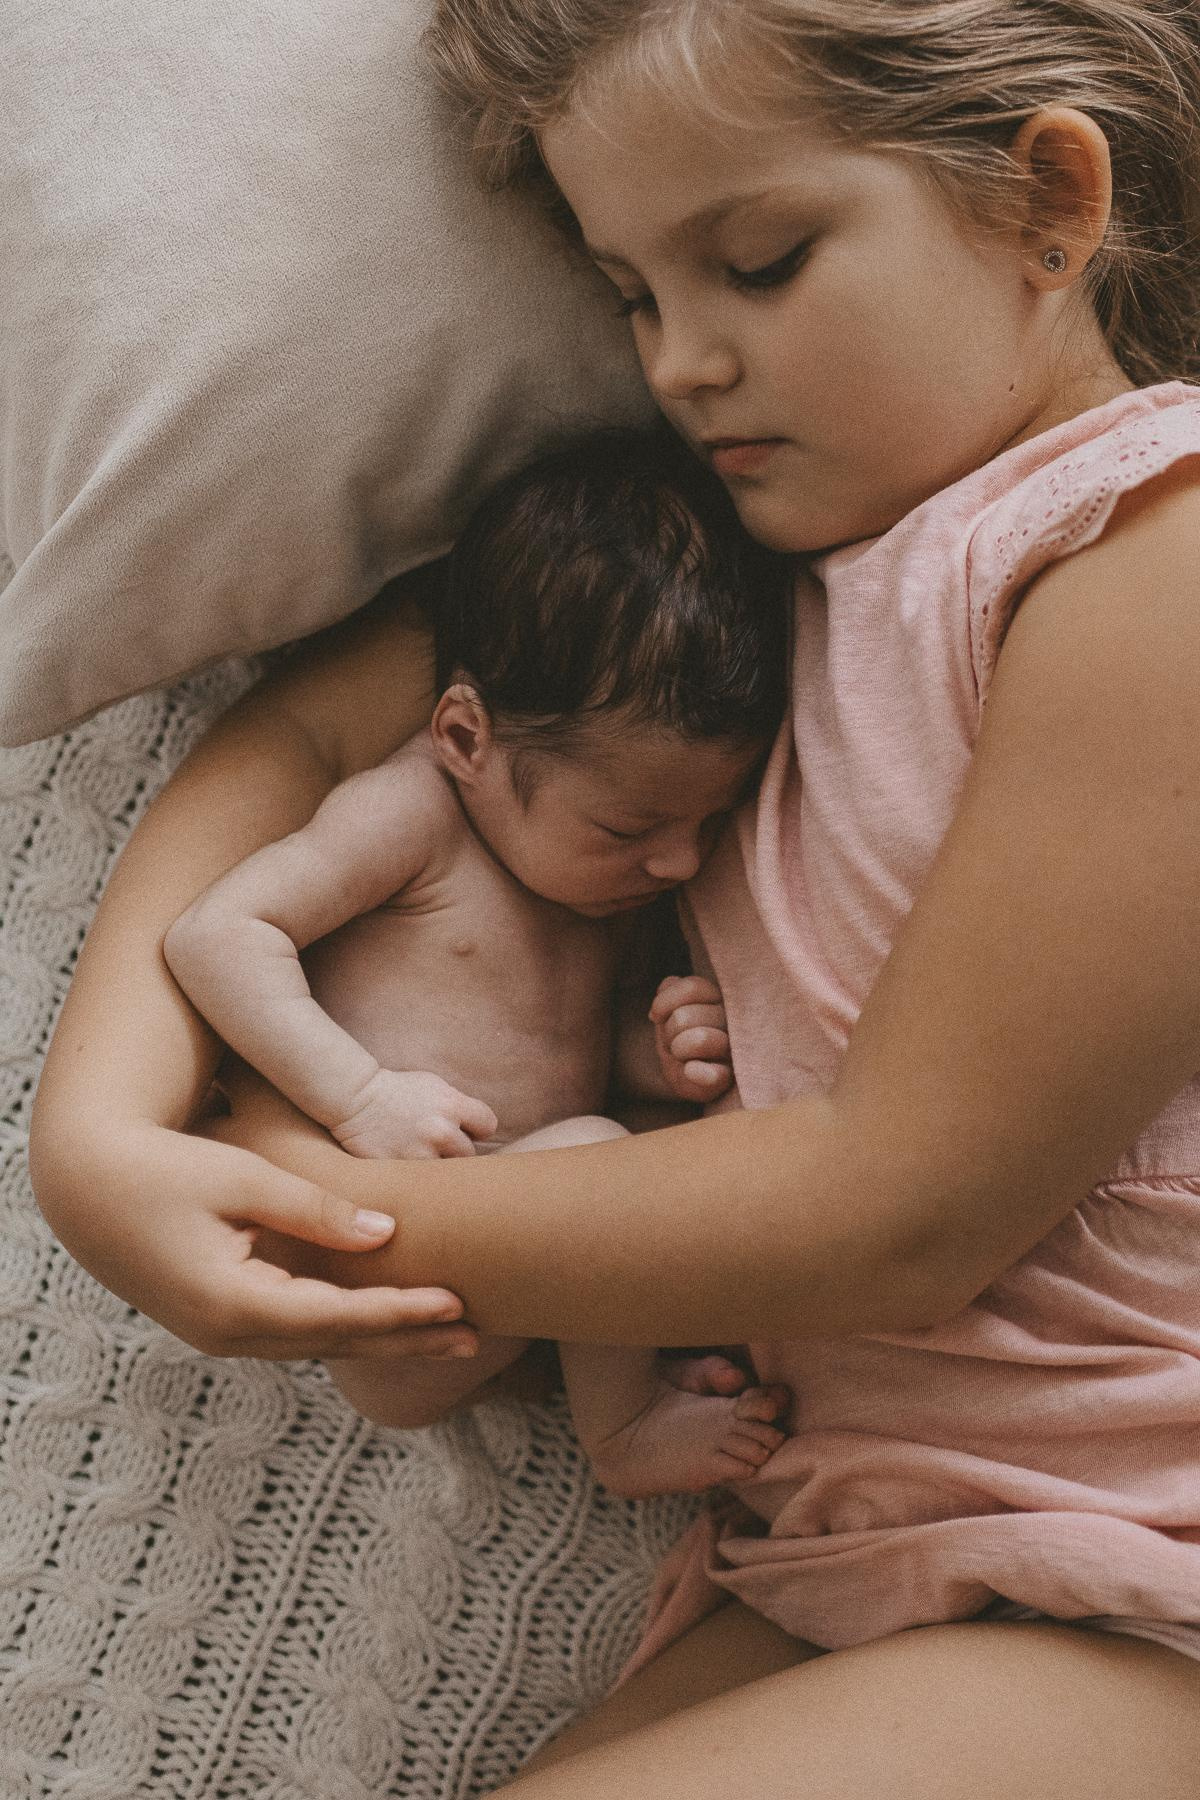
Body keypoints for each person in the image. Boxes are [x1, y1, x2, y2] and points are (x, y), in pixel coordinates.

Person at [31, 0, 1200, 1793]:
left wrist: (332, 1211)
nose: (681, 366)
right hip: (844, 1554)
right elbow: (321, 729)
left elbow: (904, 1206)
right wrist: (98, 1137)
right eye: (634, 297)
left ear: (1048, 200)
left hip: (1142, 1582)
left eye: (758, 263)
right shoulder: (729, 567)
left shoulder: (1146, 552)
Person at [161, 425, 792, 1497]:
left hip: (522, 1233)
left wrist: (656, 1049)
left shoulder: (589, 876)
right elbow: (215, 937)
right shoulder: (409, 813)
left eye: (708, 821)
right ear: (465, 737)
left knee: (665, 1136)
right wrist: (358, 1096)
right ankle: (623, 1429)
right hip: (380, 1276)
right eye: (632, 824)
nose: (680, 858)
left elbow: (561, 1053)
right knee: (597, 1153)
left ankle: (640, 1343)